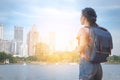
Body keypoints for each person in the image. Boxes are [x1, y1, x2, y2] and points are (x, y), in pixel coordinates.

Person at [76, 7, 103, 80]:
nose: (80, 18)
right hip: (98, 65)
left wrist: (76, 49)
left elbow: (81, 46)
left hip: (86, 63)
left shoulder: (83, 30)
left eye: (81, 16)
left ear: (84, 17)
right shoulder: (99, 30)